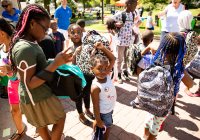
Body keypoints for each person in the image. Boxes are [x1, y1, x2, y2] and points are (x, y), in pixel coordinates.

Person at [9, 4, 72, 140]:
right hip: (37, 96)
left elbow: (33, 67)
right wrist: (55, 64)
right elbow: (30, 83)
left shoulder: (30, 42)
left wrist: (49, 62)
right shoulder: (25, 48)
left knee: (41, 125)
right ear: (32, 23)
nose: (46, 33)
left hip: (36, 94)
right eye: (45, 29)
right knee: (60, 118)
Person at [141, 32, 193, 140]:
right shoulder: (179, 69)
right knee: (155, 126)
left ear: (162, 46)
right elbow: (190, 84)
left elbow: (142, 53)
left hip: (150, 98)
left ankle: (144, 136)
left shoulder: (153, 59)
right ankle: (150, 138)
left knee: (149, 118)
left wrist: (150, 46)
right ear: (181, 51)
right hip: (165, 105)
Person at [0, 17, 25, 140]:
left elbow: (28, 69)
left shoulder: (17, 46)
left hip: (25, 84)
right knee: (14, 111)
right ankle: (20, 131)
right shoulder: (1, 48)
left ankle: (40, 128)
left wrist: (10, 70)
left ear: (2, 33)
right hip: (12, 83)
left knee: (33, 109)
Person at [69, 24, 95, 126]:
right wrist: (75, 54)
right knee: (79, 96)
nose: (76, 35)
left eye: (78, 32)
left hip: (89, 75)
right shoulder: (70, 49)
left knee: (87, 93)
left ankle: (87, 110)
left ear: (82, 33)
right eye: (73, 33)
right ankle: (80, 114)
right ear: (69, 35)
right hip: (78, 77)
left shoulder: (86, 44)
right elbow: (72, 65)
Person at [90, 42, 116, 140]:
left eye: (105, 68)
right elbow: (95, 105)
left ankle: (94, 133)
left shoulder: (107, 75)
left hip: (109, 108)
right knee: (107, 126)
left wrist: (103, 48)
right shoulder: (95, 87)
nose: (104, 71)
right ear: (92, 69)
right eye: (99, 68)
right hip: (104, 112)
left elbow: (112, 59)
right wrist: (98, 119)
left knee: (99, 124)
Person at [112, 0, 137, 84]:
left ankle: (124, 71)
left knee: (126, 58)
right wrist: (116, 25)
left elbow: (130, 26)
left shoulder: (133, 14)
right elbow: (109, 23)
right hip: (120, 41)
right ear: (129, 5)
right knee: (119, 59)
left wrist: (132, 31)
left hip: (129, 41)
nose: (135, 8)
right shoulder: (120, 14)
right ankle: (118, 73)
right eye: (134, 6)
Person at [177, 10, 200, 97]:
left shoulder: (179, 34)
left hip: (177, 64)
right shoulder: (193, 34)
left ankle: (173, 101)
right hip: (187, 63)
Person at [130, 30, 155, 107]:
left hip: (141, 74)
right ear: (151, 41)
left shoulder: (139, 45)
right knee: (141, 88)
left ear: (141, 38)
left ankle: (140, 100)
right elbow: (139, 66)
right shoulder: (146, 53)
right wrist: (139, 77)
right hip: (142, 74)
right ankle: (138, 100)